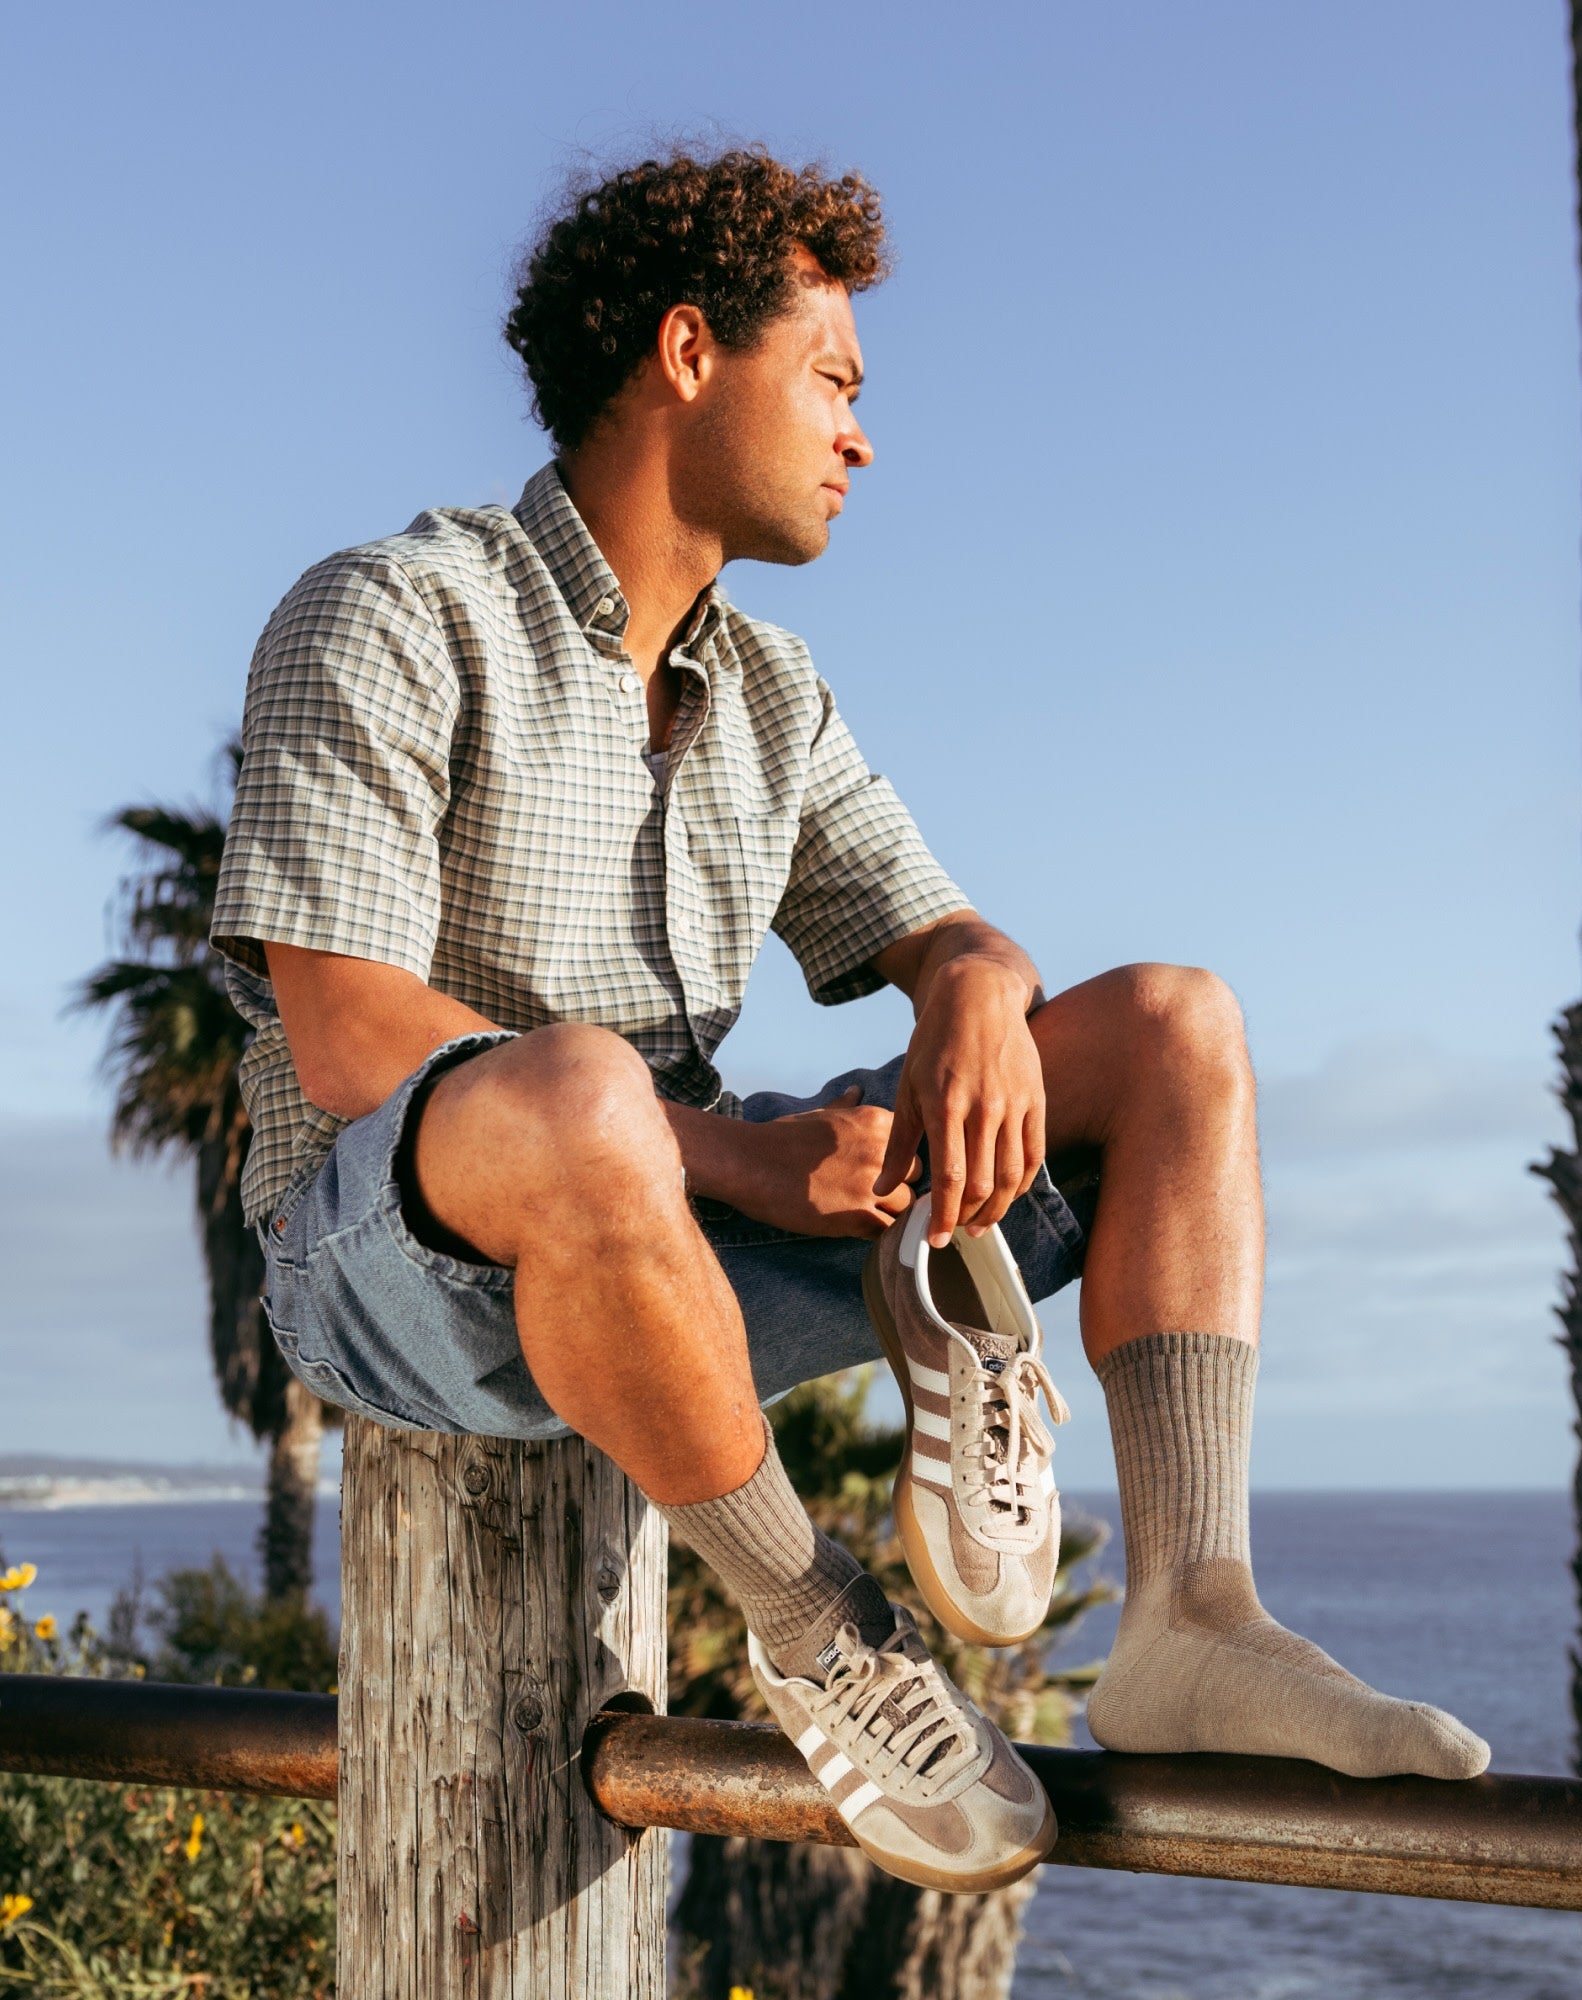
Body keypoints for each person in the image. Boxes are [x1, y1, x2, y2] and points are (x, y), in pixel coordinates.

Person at [213, 148, 1489, 1896]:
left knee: (1176, 1026)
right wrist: (740, 1149)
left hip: (685, 1250)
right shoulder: (392, 610)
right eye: (832, 379)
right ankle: (820, 1634)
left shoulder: (771, 690)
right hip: (399, 1276)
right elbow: (356, 1038)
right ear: (685, 353)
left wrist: (970, 984)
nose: (862, 435)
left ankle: (1194, 1617)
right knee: (580, 1089)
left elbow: (944, 922)